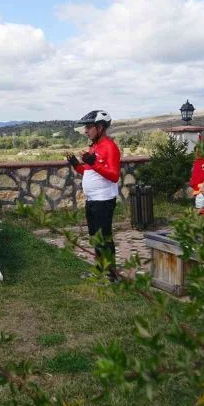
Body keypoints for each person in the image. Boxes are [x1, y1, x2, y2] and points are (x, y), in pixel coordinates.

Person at [66, 110, 121, 280]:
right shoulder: (94, 147)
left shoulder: (110, 147)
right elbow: (89, 172)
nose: (85, 131)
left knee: (104, 238)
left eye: (89, 127)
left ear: (100, 127)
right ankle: (99, 270)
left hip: (104, 200)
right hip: (92, 199)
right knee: (95, 237)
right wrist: (76, 164)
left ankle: (112, 275)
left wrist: (93, 162)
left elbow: (114, 175)